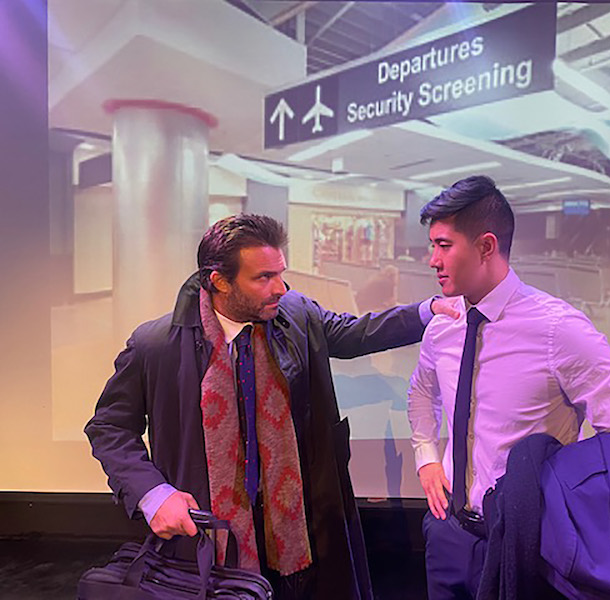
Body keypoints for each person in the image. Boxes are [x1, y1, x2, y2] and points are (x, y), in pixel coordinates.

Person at [85, 214, 456, 600]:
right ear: (219, 281)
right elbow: (109, 428)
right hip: (210, 539)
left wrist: (426, 311)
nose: (280, 287)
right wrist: (154, 494)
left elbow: (352, 334)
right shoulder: (155, 345)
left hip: (298, 531)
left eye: (280, 273)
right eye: (263, 278)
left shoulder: (296, 314)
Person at [406, 176, 610, 600]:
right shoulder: (441, 327)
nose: (432, 259)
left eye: (444, 246)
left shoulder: (559, 329)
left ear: (486, 246)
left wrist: (562, 504)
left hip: (526, 545)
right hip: (448, 534)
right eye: (432, 245)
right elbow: (420, 392)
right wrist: (427, 458)